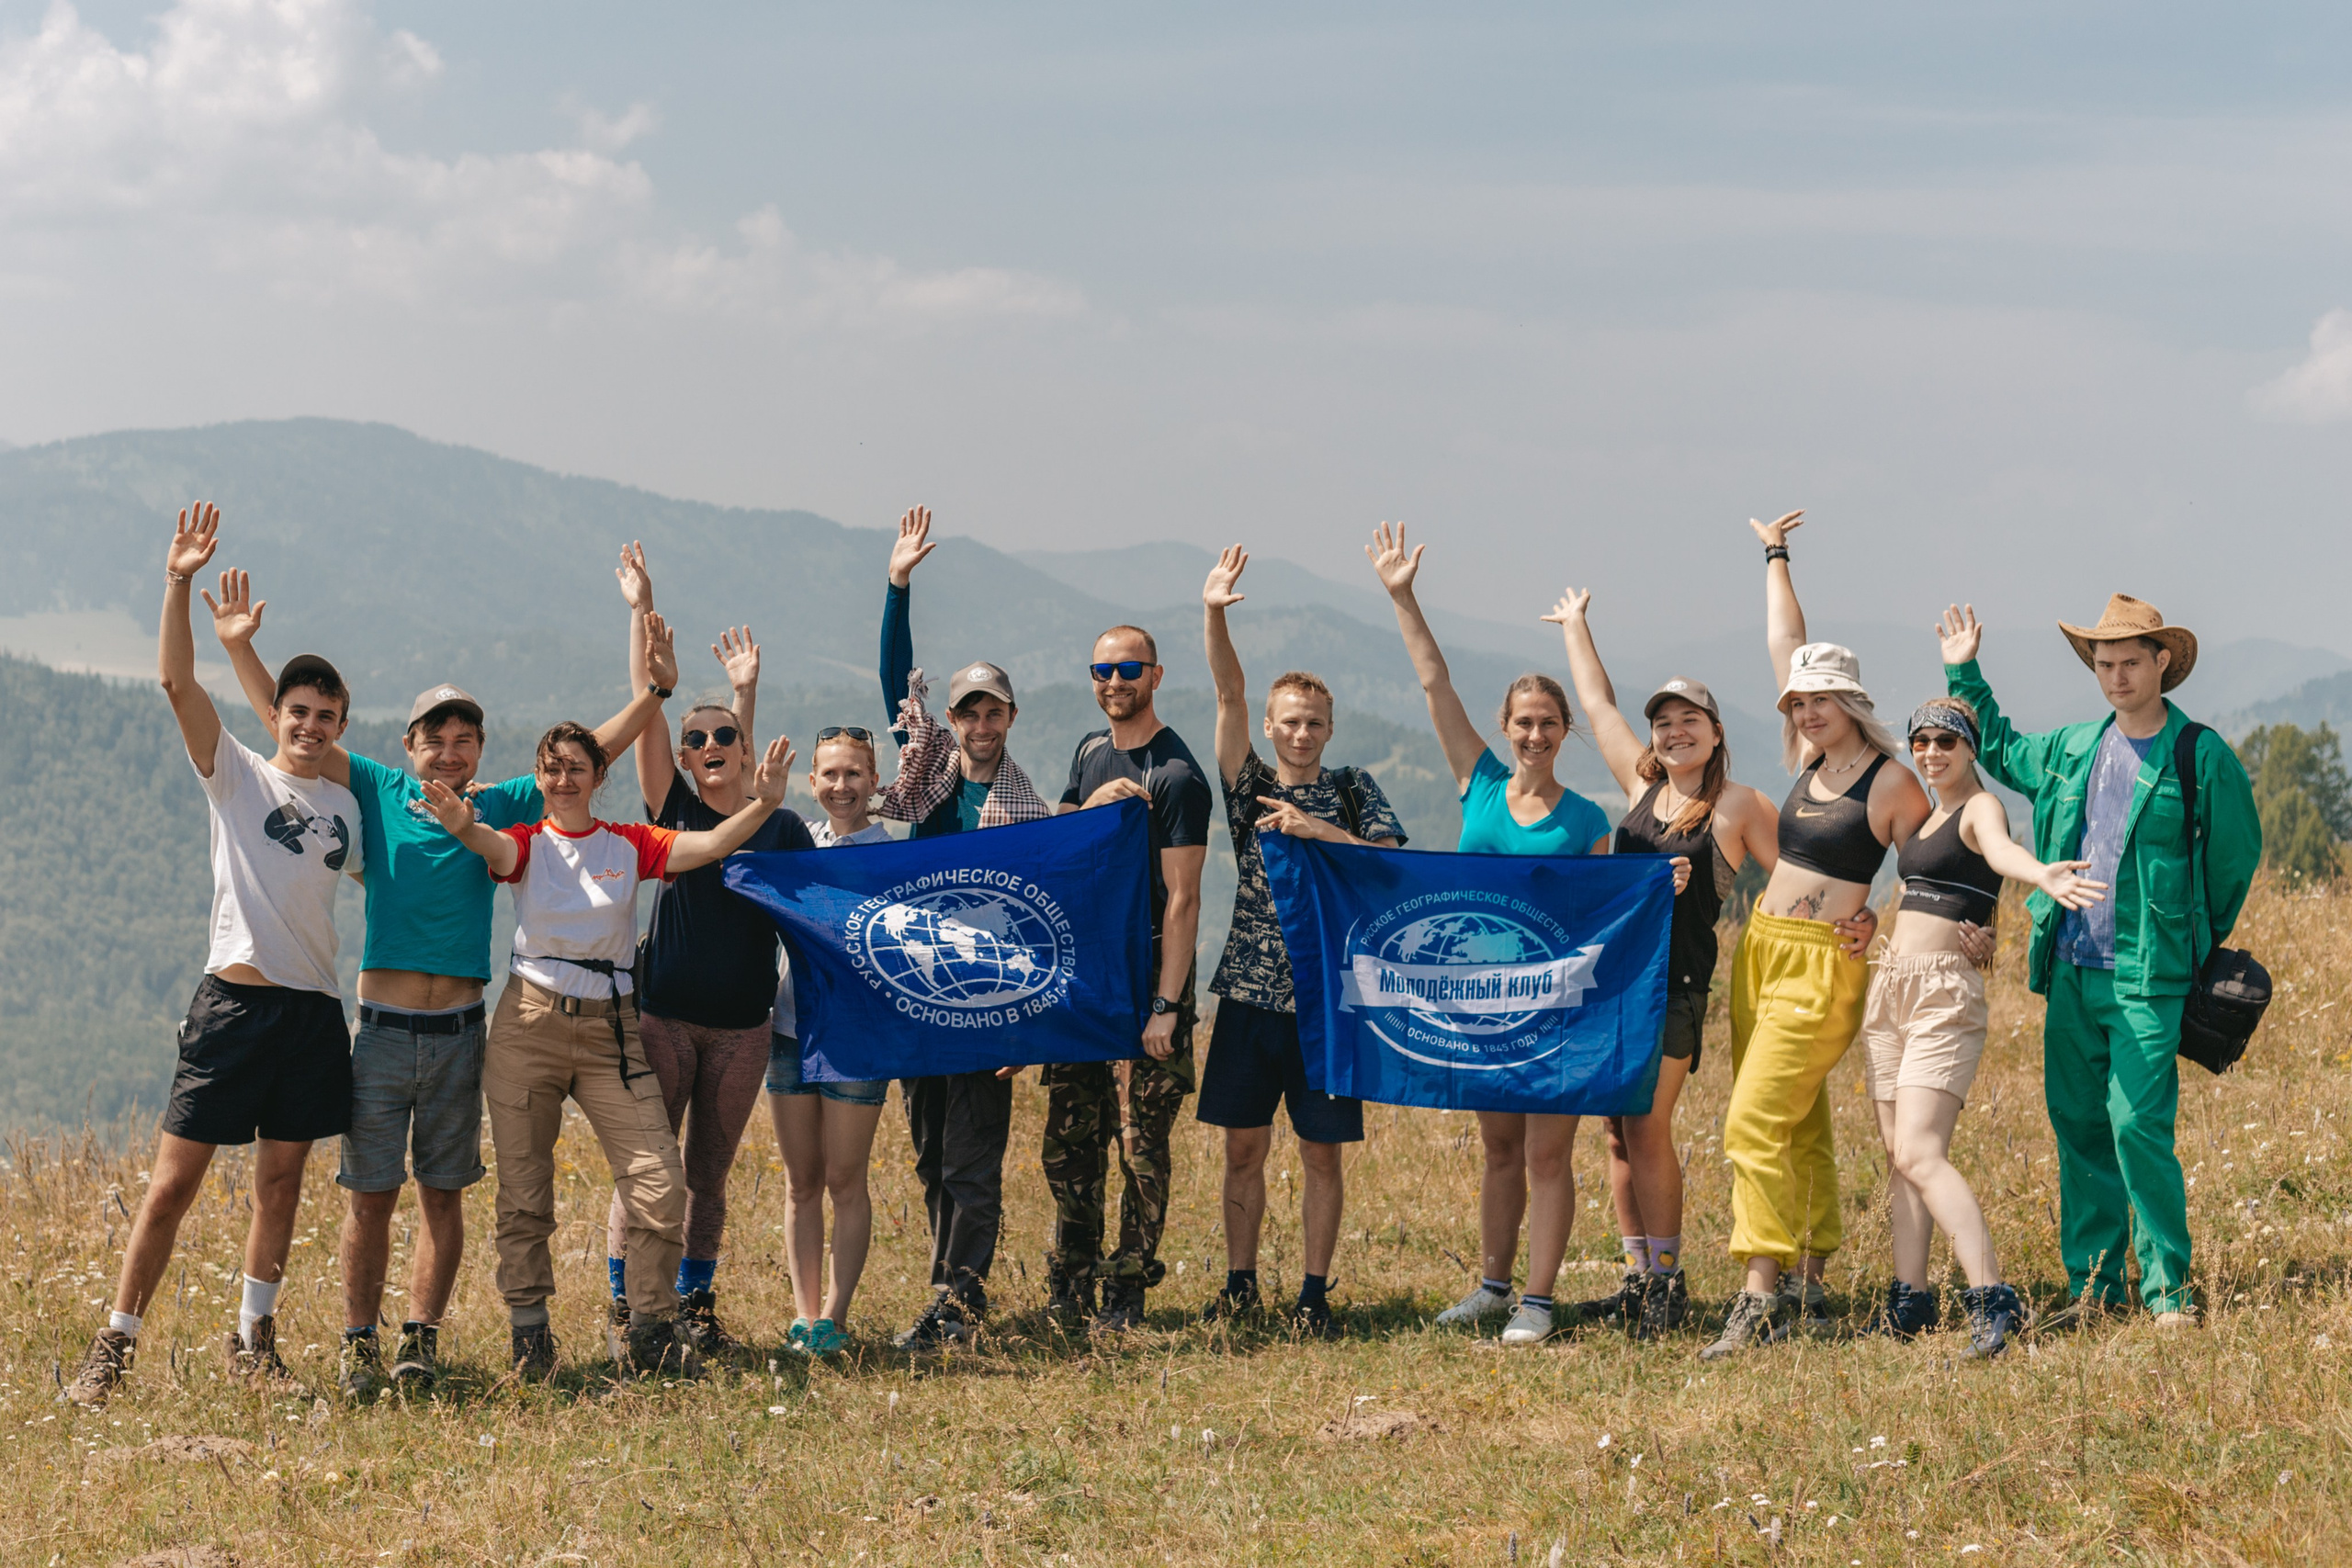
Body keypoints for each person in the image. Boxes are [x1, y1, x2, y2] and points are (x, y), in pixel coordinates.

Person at [203, 555, 661, 1401]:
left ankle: (419, 1338)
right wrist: (238, 648)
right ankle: (359, 1342)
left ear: (479, 748)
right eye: (434, 740)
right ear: (409, 745)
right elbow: (295, 727)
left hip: (460, 1032)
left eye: (463, 741)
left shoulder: (504, 802)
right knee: (370, 1197)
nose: (449, 754)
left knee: (443, 1197)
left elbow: (592, 751)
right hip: (380, 1033)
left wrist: (654, 689)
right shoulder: (378, 787)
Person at [419, 660, 794, 1381]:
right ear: (540, 776)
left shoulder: (630, 842)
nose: (564, 778)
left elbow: (712, 845)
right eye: (553, 768)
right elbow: (493, 847)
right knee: (525, 1190)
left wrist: (764, 805)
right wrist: (466, 826)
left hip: (611, 1026)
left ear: (598, 775)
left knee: (659, 1179)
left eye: (577, 767)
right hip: (529, 1022)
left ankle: (649, 1329)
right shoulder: (527, 841)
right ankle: (531, 1333)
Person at [70, 503, 364, 1408]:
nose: (310, 726)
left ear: (340, 724)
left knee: (281, 1182)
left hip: (312, 1014)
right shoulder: (237, 772)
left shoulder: (351, 805)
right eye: (298, 712)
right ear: (277, 713)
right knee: (171, 1187)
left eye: (326, 716)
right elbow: (174, 682)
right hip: (233, 1006)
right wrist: (178, 583)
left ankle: (253, 1342)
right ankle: (114, 1346)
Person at [1943, 594, 2259, 1329]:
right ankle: (2096, 1288)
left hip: (2151, 977)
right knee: (2080, 1123)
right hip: (2072, 968)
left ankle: (2168, 1292)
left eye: (2130, 662)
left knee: (2138, 1124)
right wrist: (1964, 673)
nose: (2116, 675)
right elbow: (2000, 748)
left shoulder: (2199, 753)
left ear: (2162, 662)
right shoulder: (2074, 748)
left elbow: (2234, 858)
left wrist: (2190, 938)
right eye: (2104, 663)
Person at [1366, 523, 1613, 1348]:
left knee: (1548, 1156)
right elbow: (1434, 683)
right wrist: (1403, 596)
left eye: (1548, 722)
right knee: (1500, 1149)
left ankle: (1538, 1301)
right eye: (1523, 722)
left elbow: (1607, 913)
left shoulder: (1588, 820)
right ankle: (1492, 1286)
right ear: (1505, 727)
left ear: (1565, 729)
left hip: (1552, 1010)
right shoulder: (1478, 783)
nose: (1535, 734)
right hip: (1479, 1005)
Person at [1702, 511, 1932, 1361]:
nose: (1807, 709)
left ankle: (1759, 1293)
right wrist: (1775, 554)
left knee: (1752, 1118)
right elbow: (1786, 642)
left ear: (1853, 703)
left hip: (1826, 963)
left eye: (1821, 699)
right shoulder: (1806, 757)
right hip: (1762, 947)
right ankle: (1809, 1277)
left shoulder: (1892, 781)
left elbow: (1935, 865)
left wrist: (1886, 919)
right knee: (1796, 1119)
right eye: (1799, 701)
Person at [1548, 587, 1779, 1341]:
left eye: (1690, 721)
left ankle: (1671, 1281)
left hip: (1677, 984)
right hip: (1616, 983)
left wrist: (1855, 918)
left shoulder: (1739, 805)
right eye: (1664, 723)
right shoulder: (1643, 787)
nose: (1675, 732)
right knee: (1617, 1129)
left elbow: (1798, 880)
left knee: (1648, 1124)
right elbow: (1596, 703)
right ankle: (1638, 1275)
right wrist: (1577, 625)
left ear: (1716, 732)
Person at [610, 543, 817, 1359]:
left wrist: (746, 695)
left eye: (723, 733)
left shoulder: (781, 825)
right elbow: (647, 713)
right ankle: (629, 1302)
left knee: (708, 1177)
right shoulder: (672, 809)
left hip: (742, 1028)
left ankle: (695, 1303)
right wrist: (641, 611)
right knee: (649, 1168)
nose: (708, 743)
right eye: (696, 738)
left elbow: (817, 911)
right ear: (685, 757)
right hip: (664, 1016)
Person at [1197, 545, 1408, 1337]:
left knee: (1322, 1154)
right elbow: (1228, 691)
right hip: (1248, 997)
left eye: (1314, 722)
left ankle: (1314, 1294)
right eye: (1289, 721)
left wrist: (1322, 831)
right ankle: (1240, 1284)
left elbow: (1389, 867)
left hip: (1328, 1002)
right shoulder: (1248, 786)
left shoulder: (1354, 790)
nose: (1301, 732)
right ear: (1272, 726)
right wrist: (1213, 612)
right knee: (1242, 1151)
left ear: (1329, 728)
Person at [1864, 694, 2105, 1358]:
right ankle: (1910, 1299)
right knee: (1900, 1158)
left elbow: (1999, 852)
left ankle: (1993, 1298)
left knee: (1920, 1151)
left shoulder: (1980, 807)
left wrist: (2041, 874)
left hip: (1942, 994)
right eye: (1922, 742)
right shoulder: (1927, 815)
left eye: (1947, 741)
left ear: (1970, 747)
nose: (1932, 753)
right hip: (1890, 990)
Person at [873, 505, 1053, 1351]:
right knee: (929, 1153)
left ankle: (959, 1303)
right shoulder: (931, 779)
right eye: (969, 713)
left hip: (987, 1002)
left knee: (970, 1160)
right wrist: (898, 586)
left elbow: (1043, 927)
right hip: (921, 991)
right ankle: (946, 1289)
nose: (981, 726)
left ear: (1010, 719)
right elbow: (894, 687)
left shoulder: (1030, 811)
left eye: (994, 713)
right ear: (954, 719)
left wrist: (1027, 1022)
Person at [1053, 620, 1215, 1333]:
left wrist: (1167, 1005)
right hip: (1088, 974)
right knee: (1071, 1136)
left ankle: (1124, 1290)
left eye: (1128, 669)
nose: (1115, 681)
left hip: (1148, 974)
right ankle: (1069, 1282)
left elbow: (1184, 898)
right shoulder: (1090, 752)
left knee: (1139, 1145)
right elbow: (1059, 837)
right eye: (1103, 669)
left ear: (1155, 675)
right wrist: (1092, 810)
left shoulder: (1175, 775)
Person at [767, 725, 895, 1356]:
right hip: (789, 1027)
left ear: (874, 780)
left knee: (845, 1178)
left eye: (853, 773)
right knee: (801, 1182)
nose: (841, 786)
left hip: (856, 1036)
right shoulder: (796, 843)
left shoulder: (893, 856)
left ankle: (835, 1318)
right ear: (812, 781)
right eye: (830, 774)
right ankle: (804, 1313)